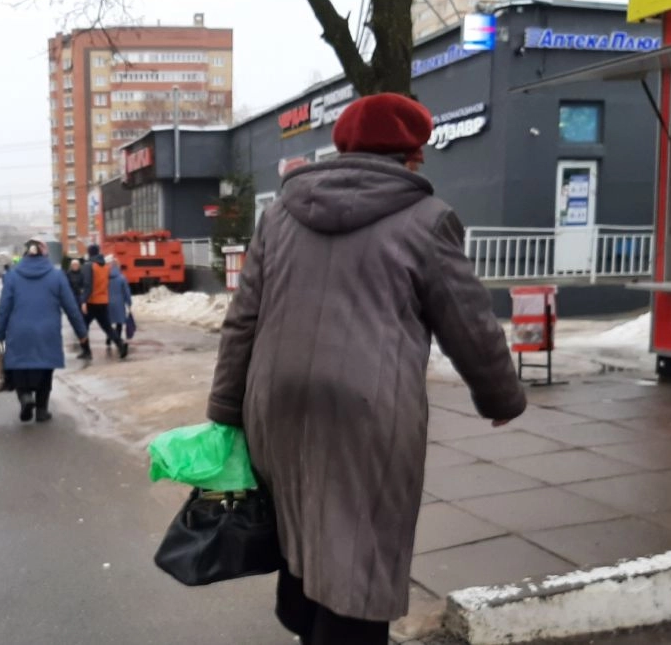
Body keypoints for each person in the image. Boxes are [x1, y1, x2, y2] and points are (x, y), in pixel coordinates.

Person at [205, 93, 526, 645]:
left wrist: (226, 408)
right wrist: (500, 397)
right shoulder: (427, 220)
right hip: (368, 411)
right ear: (413, 156)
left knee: (300, 519)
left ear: (342, 146)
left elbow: (243, 319)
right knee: (363, 542)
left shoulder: (279, 214)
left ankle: (307, 622)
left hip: (274, 405)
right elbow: (468, 322)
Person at [0, 237, 88, 423]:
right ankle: (42, 411)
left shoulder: (12, 276)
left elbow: (4, 307)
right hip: (47, 332)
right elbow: (70, 307)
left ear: (25, 254)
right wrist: (81, 332)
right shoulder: (57, 276)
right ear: (45, 254)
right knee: (45, 370)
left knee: (20, 367)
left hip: (19, 331)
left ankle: (25, 398)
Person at [79, 244, 129, 360]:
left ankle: (86, 351)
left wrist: (83, 301)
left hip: (92, 302)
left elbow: (88, 285)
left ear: (90, 253)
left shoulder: (89, 266)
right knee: (107, 327)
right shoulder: (105, 267)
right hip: (103, 301)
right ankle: (121, 345)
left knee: (82, 326)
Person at [105, 261, 133, 346]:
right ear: (118, 267)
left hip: (107, 302)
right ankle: (117, 338)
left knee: (108, 321)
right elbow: (126, 291)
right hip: (119, 303)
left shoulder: (106, 277)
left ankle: (109, 337)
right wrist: (129, 302)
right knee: (119, 322)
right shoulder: (122, 278)